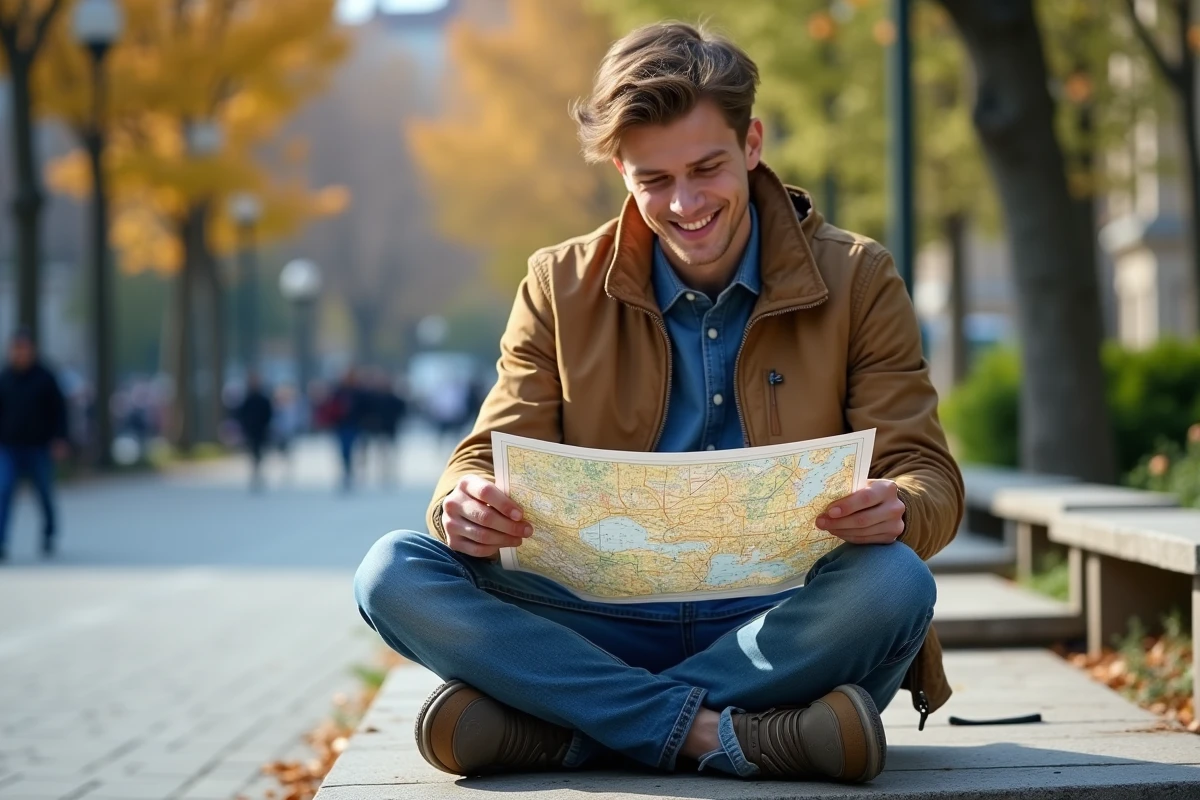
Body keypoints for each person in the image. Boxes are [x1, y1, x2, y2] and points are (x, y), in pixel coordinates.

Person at [354, 22, 963, 784]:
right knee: (391, 572)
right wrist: (462, 505)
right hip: (597, 621)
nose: (684, 203)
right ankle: (738, 736)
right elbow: (483, 454)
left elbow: (927, 471)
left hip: (785, 620)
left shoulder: (859, 276)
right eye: (653, 181)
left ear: (752, 144)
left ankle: (571, 730)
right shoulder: (557, 285)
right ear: (621, 171)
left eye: (706, 168)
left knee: (896, 583)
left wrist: (900, 507)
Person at [0, 329, 69, 561]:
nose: (20, 354)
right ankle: (2, 541)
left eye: (24, 349)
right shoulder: (5, 378)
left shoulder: (45, 377)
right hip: (8, 446)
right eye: (16, 349)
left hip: (39, 446)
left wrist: (60, 438)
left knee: (43, 493)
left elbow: (60, 411)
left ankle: (49, 531)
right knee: (4, 491)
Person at [237, 373, 274, 491]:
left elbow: (268, 414)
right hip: (251, 430)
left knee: (259, 453)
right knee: (253, 453)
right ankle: (256, 473)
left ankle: (258, 472)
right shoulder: (247, 399)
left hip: (261, 430)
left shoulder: (263, 399)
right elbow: (242, 414)